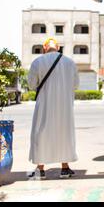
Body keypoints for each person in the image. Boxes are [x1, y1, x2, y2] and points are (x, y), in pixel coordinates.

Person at [27, 37, 79, 179]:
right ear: (58, 48)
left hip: (44, 105)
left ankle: (40, 169)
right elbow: (75, 85)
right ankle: (65, 168)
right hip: (64, 106)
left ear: (44, 48)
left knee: (41, 133)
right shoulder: (70, 63)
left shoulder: (37, 62)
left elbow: (31, 85)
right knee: (64, 134)